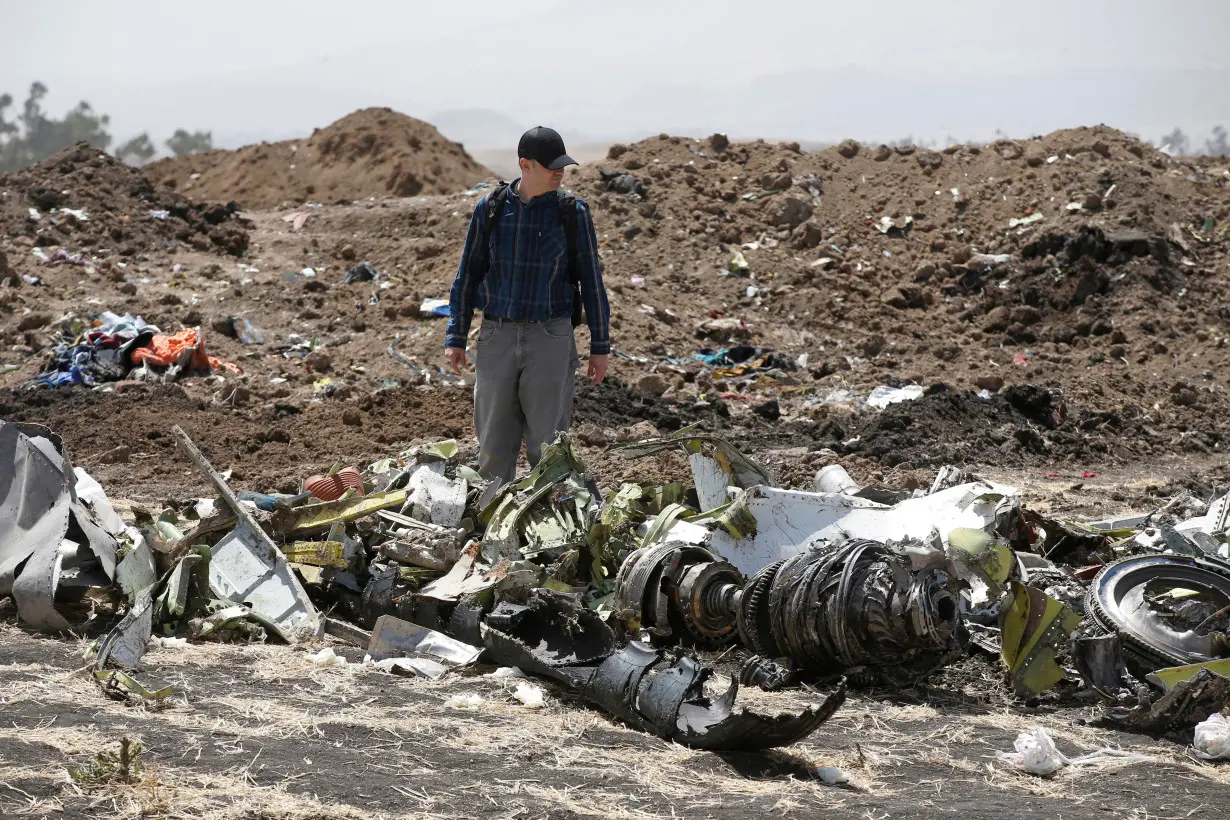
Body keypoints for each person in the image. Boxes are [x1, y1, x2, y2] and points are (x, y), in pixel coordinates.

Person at [444, 126, 611, 484]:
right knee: (492, 445)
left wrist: (600, 346)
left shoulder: (572, 213)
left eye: (562, 166)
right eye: (551, 166)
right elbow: (467, 277)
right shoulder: (490, 210)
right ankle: (492, 528)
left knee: (548, 447)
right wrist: (456, 336)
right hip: (496, 336)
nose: (559, 172)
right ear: (525, 164)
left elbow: (592, 282)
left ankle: (550, 525)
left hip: (550, 338)